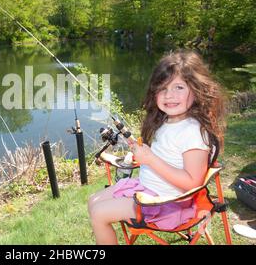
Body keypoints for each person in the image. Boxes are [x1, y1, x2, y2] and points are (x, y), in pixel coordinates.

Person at [88, 50, 226, 245]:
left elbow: (193, 183)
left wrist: (151, 159)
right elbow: (166, 157)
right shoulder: (167, 121)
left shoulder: (193, 132)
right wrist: (144, 155)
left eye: (179, 87)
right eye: (163, 88)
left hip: (167, 205)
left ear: (197, 90)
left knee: (98, 213)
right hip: (149, 189)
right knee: (93, 201)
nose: (169, 95)